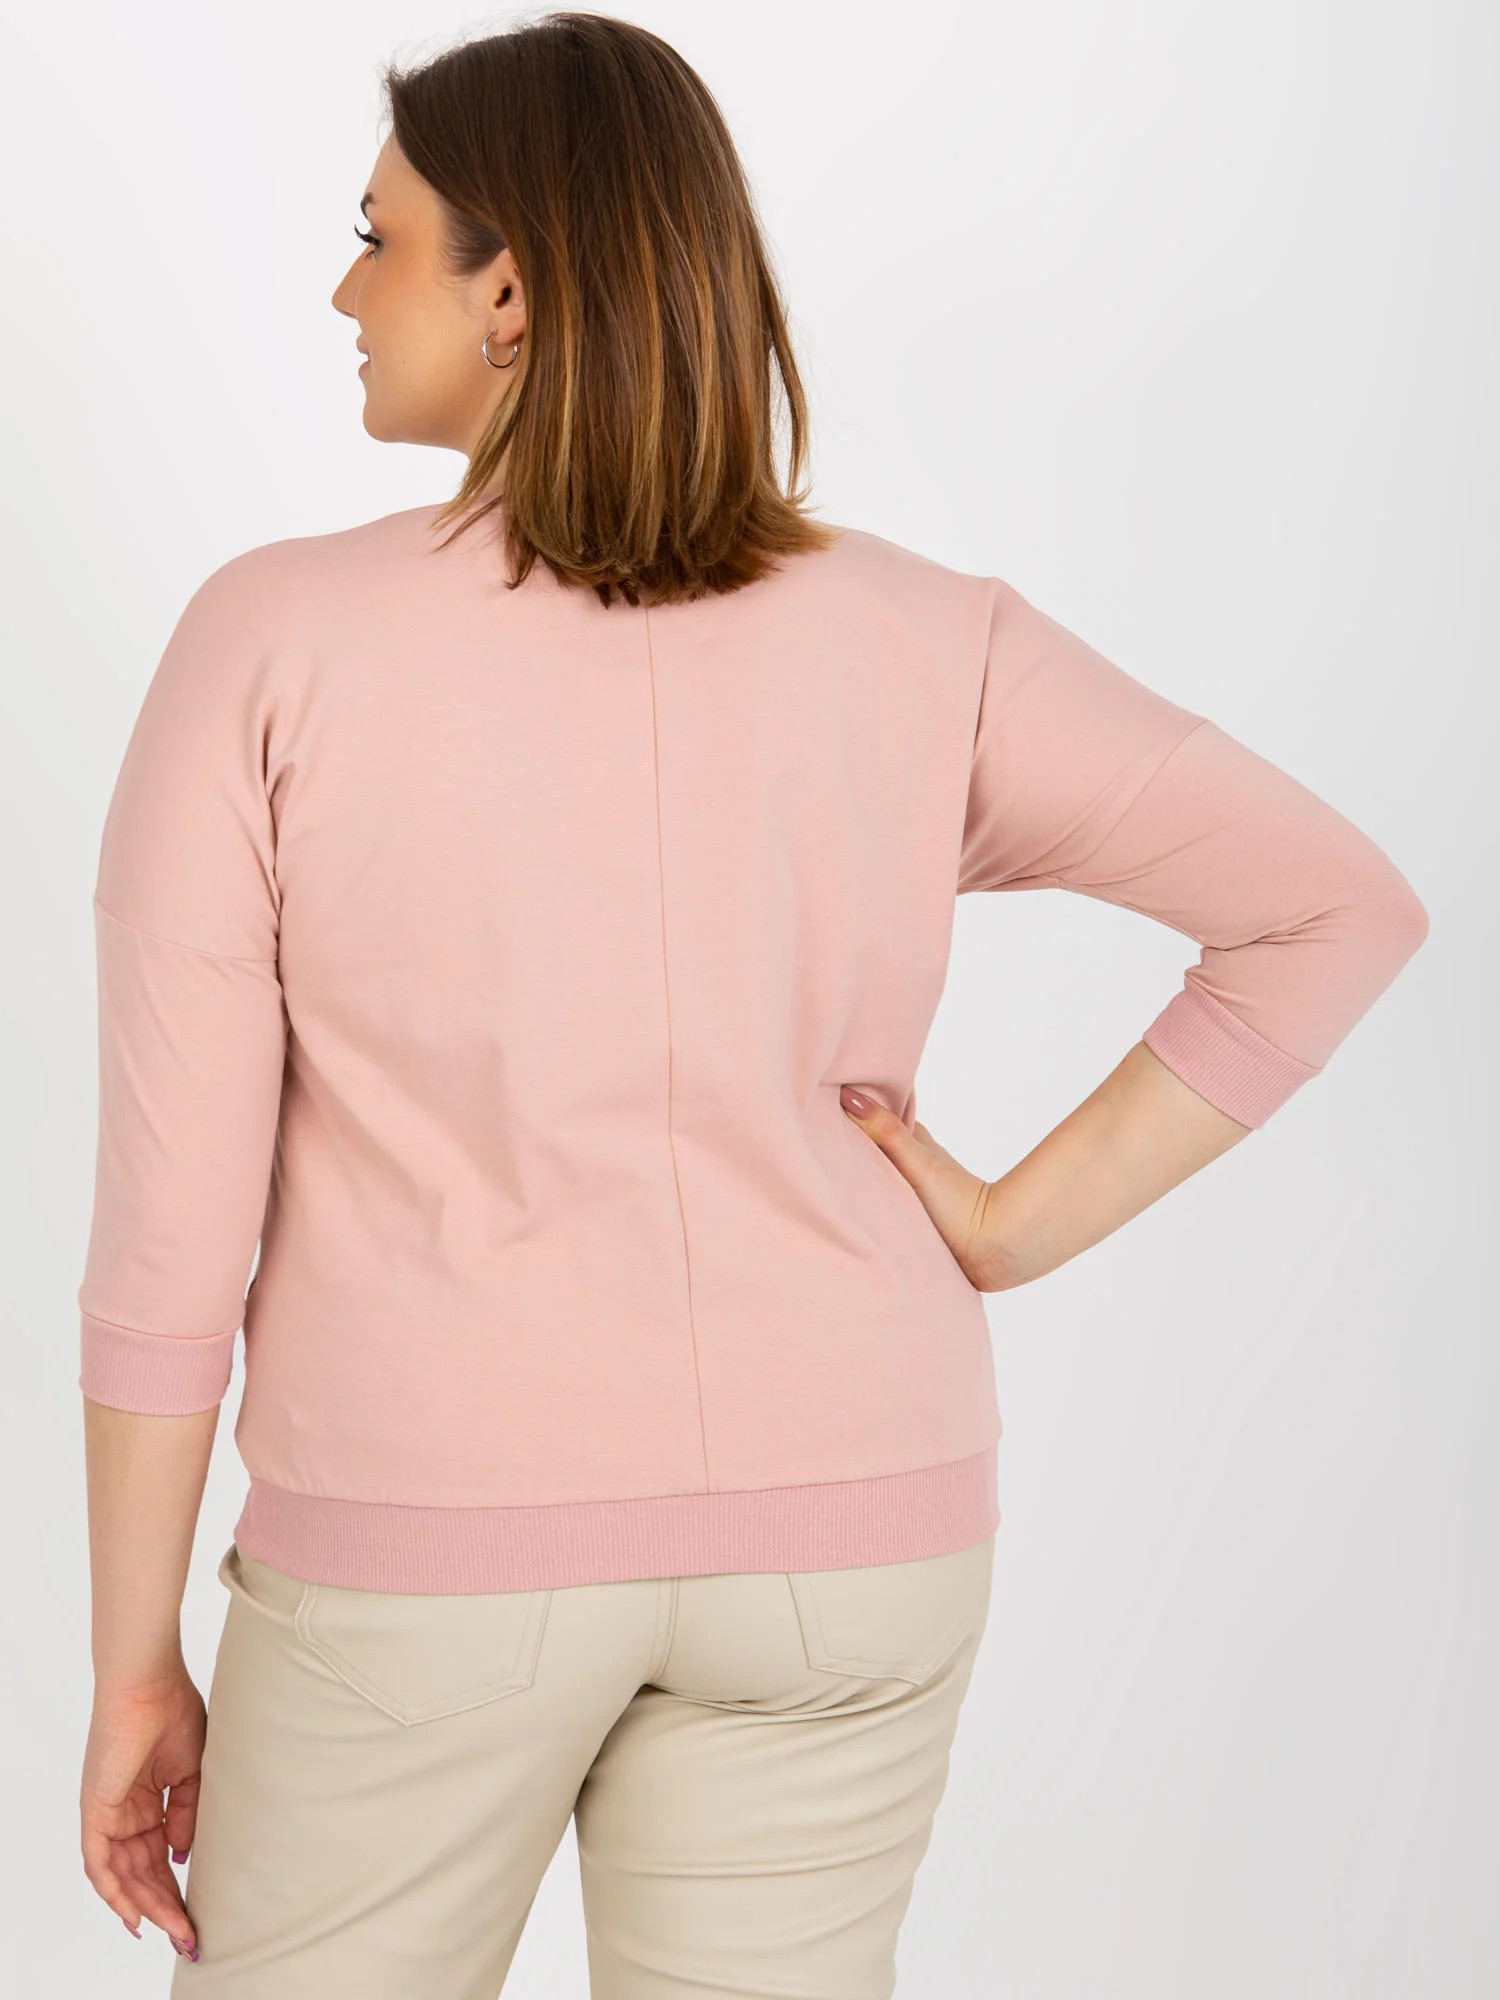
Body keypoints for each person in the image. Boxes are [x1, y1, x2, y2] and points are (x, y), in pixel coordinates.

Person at [73, 12, 1430, 1996]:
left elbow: (171, 1238)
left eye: (379, 238)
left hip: (427, 1551)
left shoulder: (270, 643)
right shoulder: (924, 638)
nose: (345, 291)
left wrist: (131, 1662)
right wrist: (1008, 1230)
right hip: (853, 1544)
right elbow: (1332, 906)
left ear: (513, 292)